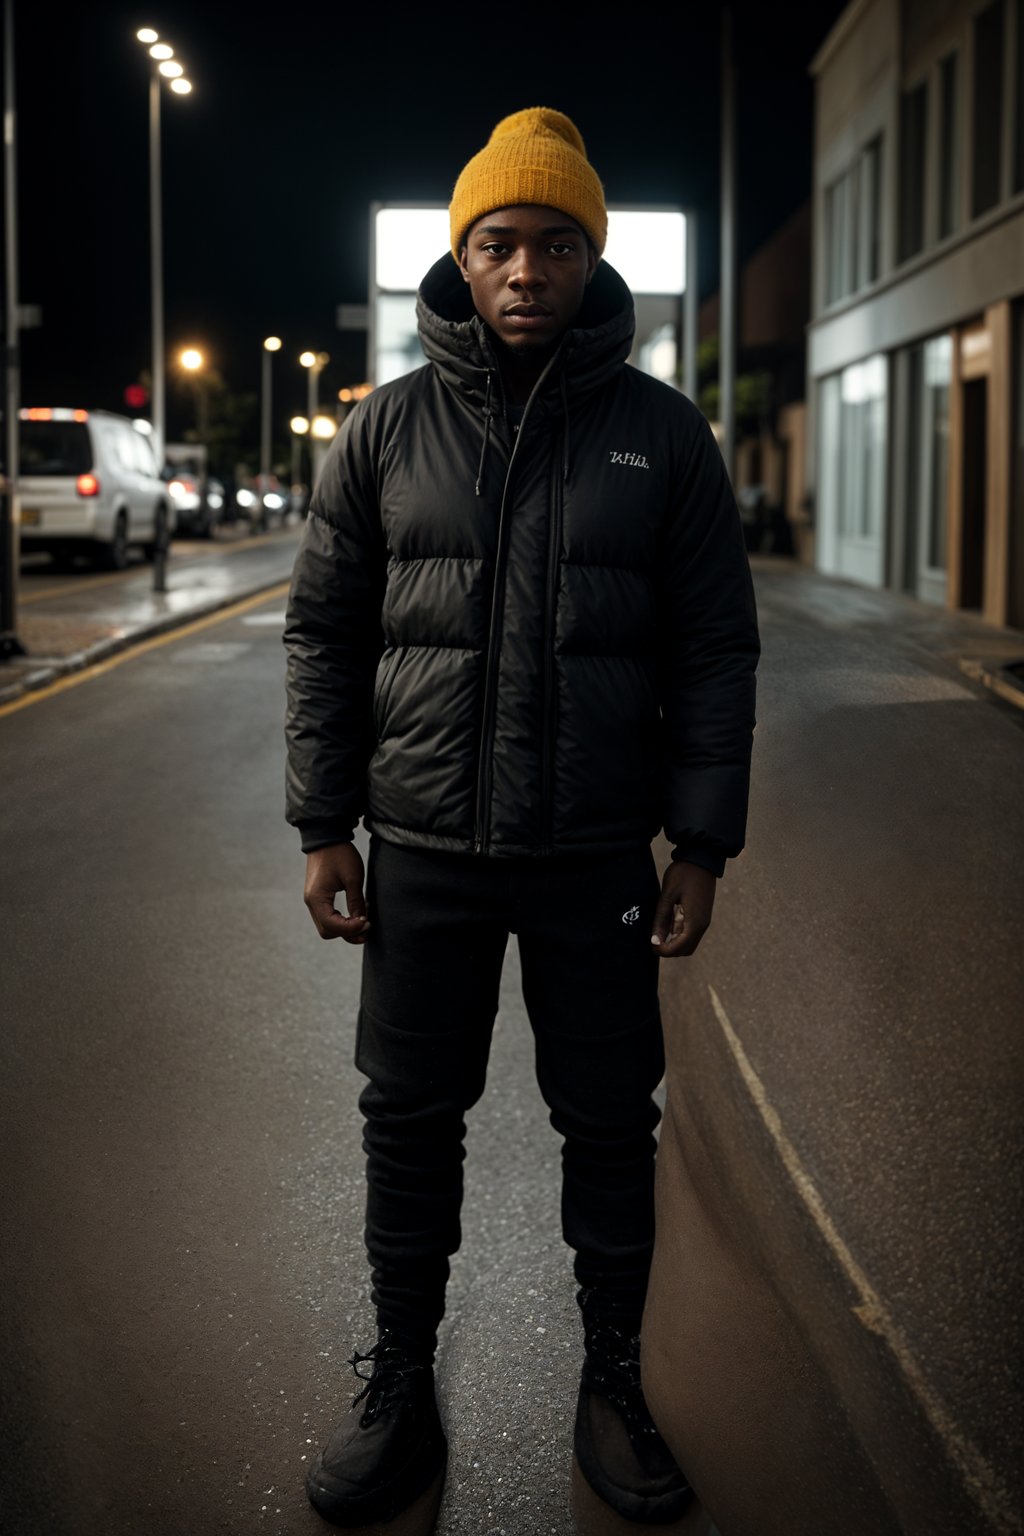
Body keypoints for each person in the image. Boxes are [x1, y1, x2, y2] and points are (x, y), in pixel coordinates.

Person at [284, 107, 759, 1530]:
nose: (527, 267)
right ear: (462, 257)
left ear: (592, 259)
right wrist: (323, 825)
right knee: (409, 1119)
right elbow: (323, 633)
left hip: (594, 856)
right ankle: (400, 1385)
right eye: (500, 242)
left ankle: (613, 1379)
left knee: (610, 1122)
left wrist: (703, 842)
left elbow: (713, 649)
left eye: (558, 244)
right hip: (422, 852)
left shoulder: (663, 437)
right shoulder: (384, 431)